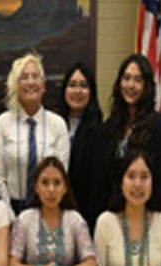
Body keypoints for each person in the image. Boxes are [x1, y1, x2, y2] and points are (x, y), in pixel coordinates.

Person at [0, 53, 70, 214]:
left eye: (36, 76)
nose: (31, 82)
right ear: (16, 85)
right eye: (24, 77)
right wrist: (8, 213)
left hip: (48, 209)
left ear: (44, 85)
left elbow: (62, 173)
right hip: (11, 209)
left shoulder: (58, 125)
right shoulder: (2, 123)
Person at [9, 157, 96, 266]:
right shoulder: (25, 220)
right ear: (36, 187)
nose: (51, 190)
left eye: (57, 183)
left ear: (65, 188)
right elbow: (12, 264)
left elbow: (91, 264)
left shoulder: (75, 220)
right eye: (45, 183)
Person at [93, 149, 161, 266]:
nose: (138, 184)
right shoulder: (105, 222)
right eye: (131, 176)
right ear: (121, 183)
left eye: (144, 177)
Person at [105, 54, 161, 208]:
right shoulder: (112, 123)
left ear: (146, 86)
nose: (131, 85)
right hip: (115, 209)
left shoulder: (157, 125)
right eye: (126, 78)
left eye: (137, 80)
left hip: (146, 210)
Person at [60, 62, 108, 232]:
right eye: (72, 85)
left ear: (92, 92)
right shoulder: (53, 124)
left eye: (83, 86)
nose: (77, 91)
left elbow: (98, 188)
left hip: (85, 218)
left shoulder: (100, 132)